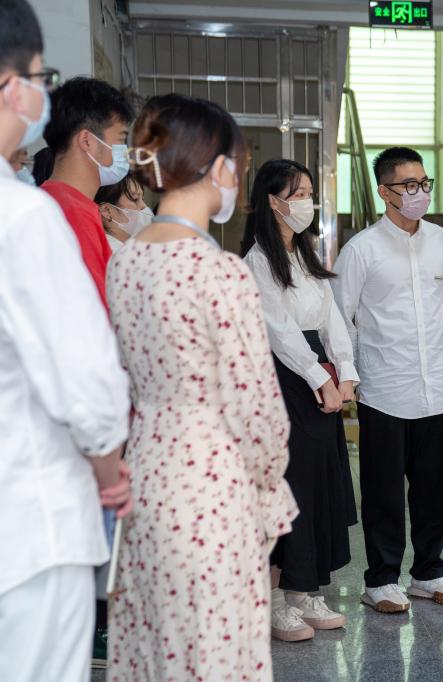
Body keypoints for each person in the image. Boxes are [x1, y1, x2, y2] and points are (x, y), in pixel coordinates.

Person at [105, 93, 297, 680]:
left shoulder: (125, 260)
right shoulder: (219, 271)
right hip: (210, 483)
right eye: (235, 164)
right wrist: (271, 480)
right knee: (212, 648)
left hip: (146, 475)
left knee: (158, 646)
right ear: (215, 167)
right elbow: (256, 410)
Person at [0, 2, 132, 680]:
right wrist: (111, 467)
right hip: (34, 511)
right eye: (36, 76)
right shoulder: (37, 215)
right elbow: (83, 365)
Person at [332, 146, 443, 612]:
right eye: (409, 185)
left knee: (434, 490)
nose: (419, 192)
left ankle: (429, 572)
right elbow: (341, 318)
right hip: (384, 389)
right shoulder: (360, 249)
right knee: (384, 492)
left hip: (436, 387)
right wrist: (352, 374)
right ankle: (381, 579)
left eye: (424, 183)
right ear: (384, 192)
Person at [242, 159, 359, 642]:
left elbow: (331, 318)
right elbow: (279, 331)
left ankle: (305, 591)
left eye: (310, 192)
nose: (308, 202)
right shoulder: (258, 260)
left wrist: (345, 371)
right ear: (274, 201)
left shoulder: (306, 256)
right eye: (299, 193)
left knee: (318, 485)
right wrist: (318, 378)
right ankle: (274, 600)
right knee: (291, 484)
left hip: (318, 373)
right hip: (284, 378)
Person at [40, 76, 133, 307]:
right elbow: (96, 311)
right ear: (87, 141)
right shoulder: (72, 213)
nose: (124, 151)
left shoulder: (57, 200)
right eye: (121, 139)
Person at [95, 173, 152, 252]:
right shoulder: (112, 253)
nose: (144, 206)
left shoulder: (128, 249)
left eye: (142, 199)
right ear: (107, 211)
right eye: (135, 199)